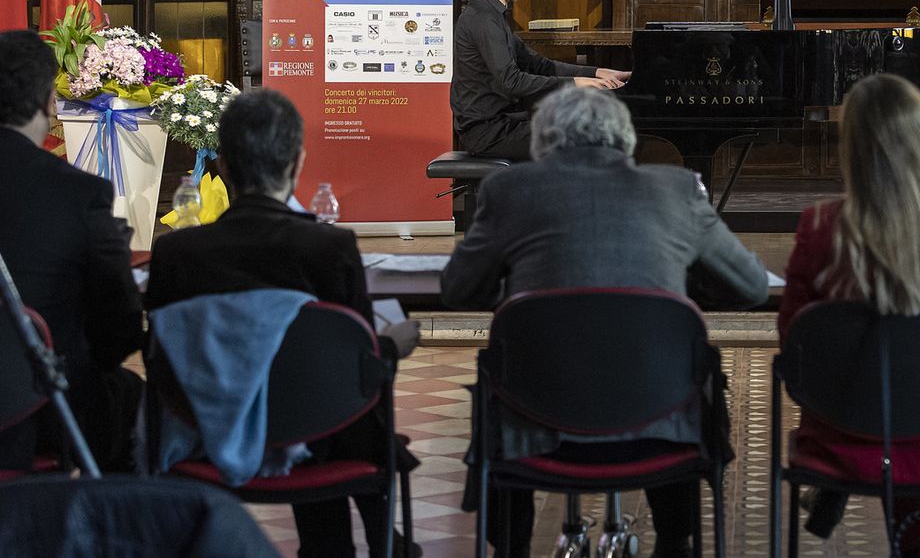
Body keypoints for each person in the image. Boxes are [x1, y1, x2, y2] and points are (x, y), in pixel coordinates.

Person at [442, 87, 768, 558]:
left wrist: (519, 294)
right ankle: (676, 542)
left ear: (542, 141)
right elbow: (752, 287)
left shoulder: (509, 189)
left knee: (502, 380)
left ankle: (511, 546)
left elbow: (457, 290)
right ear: (626, 139)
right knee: (678, 378)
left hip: (534, 421)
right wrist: (672, 294)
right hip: (658, 424)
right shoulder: (676, 189)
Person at [145, 89, 422, 558]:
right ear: (296, 163)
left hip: (204, 430)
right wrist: (392, 346)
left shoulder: (176, 254)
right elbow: (356, 357)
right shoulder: (328, 249)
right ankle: (371, 542)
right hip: (319, 430)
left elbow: (161, 356)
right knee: (334, 394)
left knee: (309, 387)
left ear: (225, 167)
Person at [776, 73, 920, 558]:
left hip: (842, 431)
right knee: (918, 383)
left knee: (881, 384)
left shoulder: (820, 227)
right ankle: (913, 545)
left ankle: (841, 493)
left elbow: (795, 341)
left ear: (853, 147)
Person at [0, 29, 144, 473]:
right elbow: (119, 333)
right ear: (48, 102)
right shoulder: (80, 195)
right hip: (40, 413)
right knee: (130, 396)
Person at [451, 0, 630, 159]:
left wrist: (595, 72)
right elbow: (511, 81)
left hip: (504, 124)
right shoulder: (482, 19)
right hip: (490, 133)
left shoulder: (493, 16)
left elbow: (539, 65)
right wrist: (576, 83)